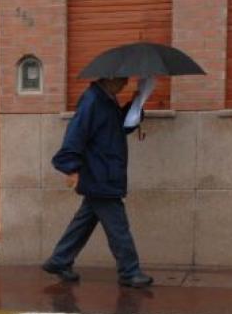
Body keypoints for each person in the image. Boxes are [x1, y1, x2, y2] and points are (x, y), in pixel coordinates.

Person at [42, 77, 153, 288]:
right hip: (100, 173)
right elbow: (76, 133)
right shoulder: (92, 100)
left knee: (84, 221)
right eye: (122, 79)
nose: (125, 83)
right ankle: (130, 271)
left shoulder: (106, 99)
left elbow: (119, 128)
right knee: (118, 226)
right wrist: (71, 167)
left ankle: (59, 260)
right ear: (109, 78)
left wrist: (134, 105)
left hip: (105, 171)